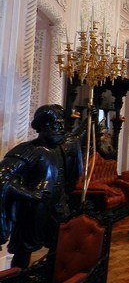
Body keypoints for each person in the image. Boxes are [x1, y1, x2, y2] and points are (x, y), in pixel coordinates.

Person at [0, 104, 87, 268]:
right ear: (44, 126)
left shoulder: (63, 146)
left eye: (62, 124)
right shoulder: (30, 150)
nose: (61, 128)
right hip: (34, 208)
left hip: (59, 205)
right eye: (56, 124)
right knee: (24, 249)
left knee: (59, 243)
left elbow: (76, 137)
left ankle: (48, 276)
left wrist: (89, 119)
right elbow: (3, 177)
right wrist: (30, 194)